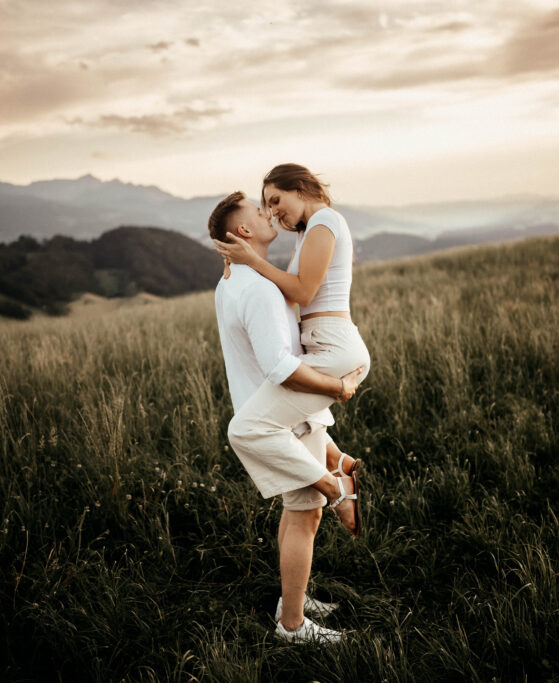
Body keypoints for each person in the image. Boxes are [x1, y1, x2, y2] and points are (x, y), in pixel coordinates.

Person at [209, 191, 364, 645]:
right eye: (258, 212)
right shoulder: (257, 288)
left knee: (297, 514)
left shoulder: (233, 280)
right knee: (304, 516)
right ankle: (292, 625)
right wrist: (338, 388)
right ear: (243, 232)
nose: (267, 213)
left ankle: (290, 599)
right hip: (282, 416)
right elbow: (280, 365)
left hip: (274, 408)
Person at [213, 163, 370, 488]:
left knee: (250, 425)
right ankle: (338, 463)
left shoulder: (324, 220)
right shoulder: (311, 228)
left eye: (275, 200)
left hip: (334, 344)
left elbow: (302, 291)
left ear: (299, 188)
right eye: (265, 205)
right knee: (285, 408)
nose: (272, 212)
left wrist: (252, 262)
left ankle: (334, 484)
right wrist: (240, 271)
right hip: (326, 341)